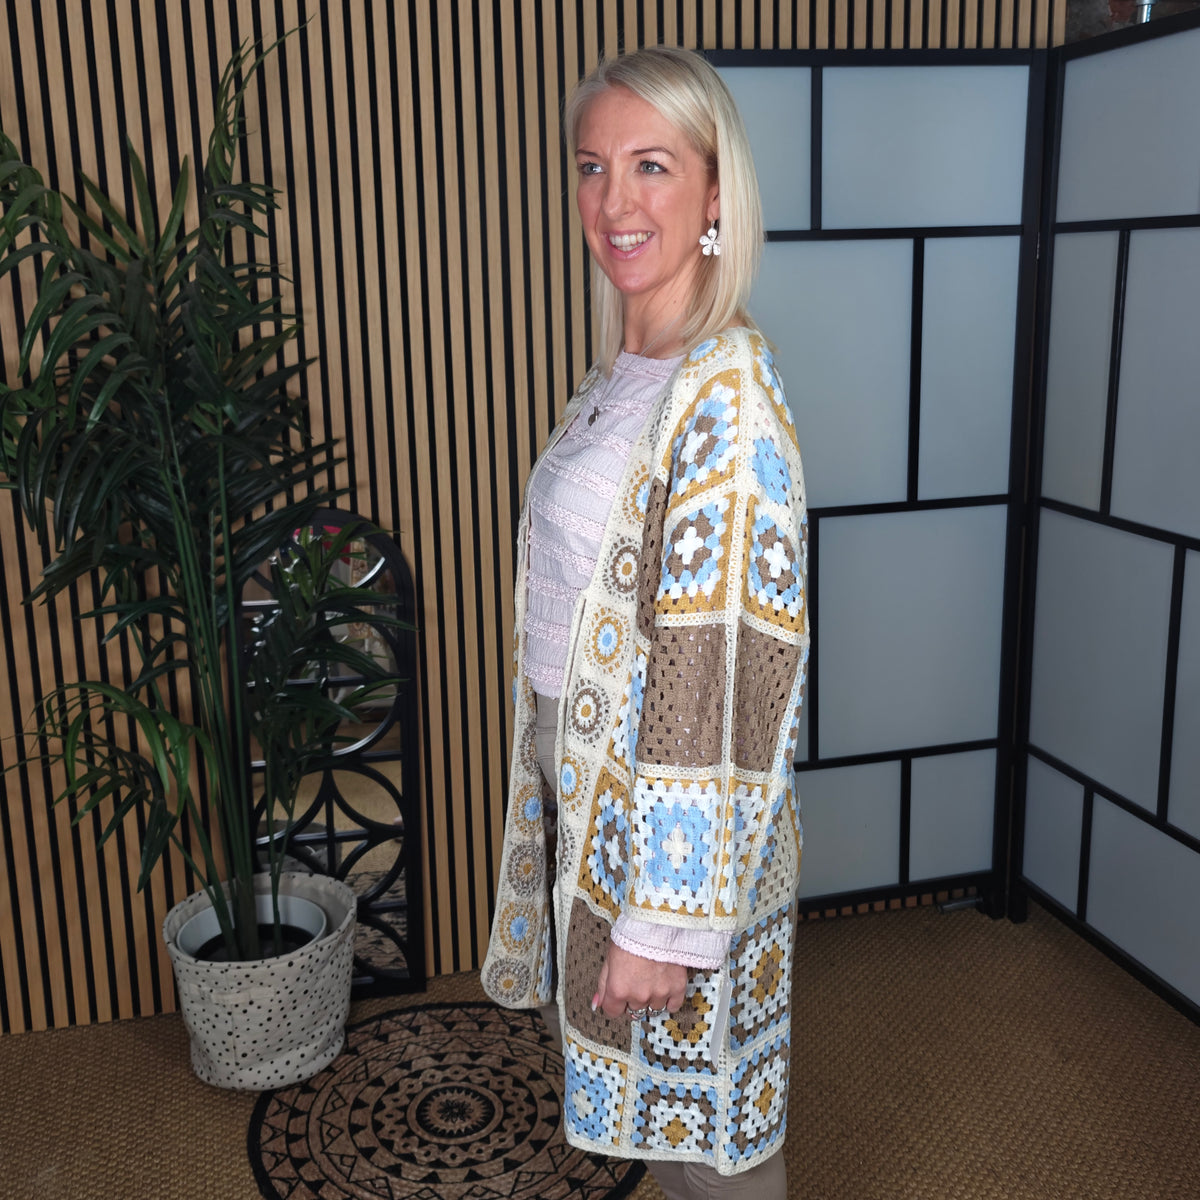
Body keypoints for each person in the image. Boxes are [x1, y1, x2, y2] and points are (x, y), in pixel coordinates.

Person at [482, 45, 809, 1200]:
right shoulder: (626, 374)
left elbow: (713, 670)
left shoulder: (724, 400)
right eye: (592, 168)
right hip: (607, 810)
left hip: (679, 841)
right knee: (663, 1124)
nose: (614, 203)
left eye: (652, 167)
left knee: (711, 1134)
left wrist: (660, 925)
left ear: (716, 194)